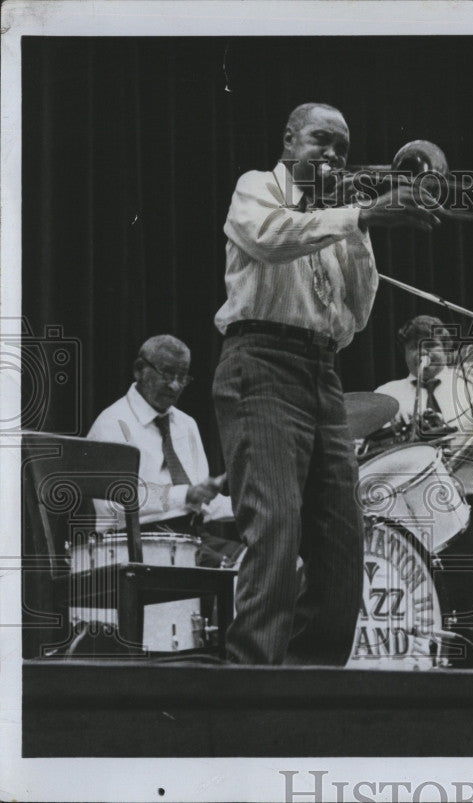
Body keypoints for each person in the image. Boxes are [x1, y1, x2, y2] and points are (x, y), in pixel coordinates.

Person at [212, 102, 439, 665]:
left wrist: (359, 231)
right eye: (321, 141)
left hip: (322, 373)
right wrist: (360, 215)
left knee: (342, 549)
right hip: (260, 361)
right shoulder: (258, 187)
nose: (335, 155)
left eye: (343, 147)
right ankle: (250, 687)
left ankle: (308, 687)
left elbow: (356, 317)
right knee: (276, 533)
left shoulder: (338, 217)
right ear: (289, 142)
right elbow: (269, 236)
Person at [373, 315, 473, 666]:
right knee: (422, 588)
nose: (423, 355)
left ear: (445, 348)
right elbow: (370, 452)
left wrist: (451, 452)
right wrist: (398, 436)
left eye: (430, 345)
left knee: (472, 588)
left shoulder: (471, 382)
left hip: (468, 498)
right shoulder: (388, 394)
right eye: (414, 348)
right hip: (411, 509)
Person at [87, 335, 241, 568]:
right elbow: (115, 503)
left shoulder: (186, 424)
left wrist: (249, 507)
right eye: (168, 374)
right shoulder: (112, 423)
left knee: (277, 567)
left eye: (183, 377)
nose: (175, 386)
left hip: (192, 537)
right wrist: (185, 494)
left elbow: (200, 502)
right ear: (139, 370)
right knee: (238, 575)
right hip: (135, 545)